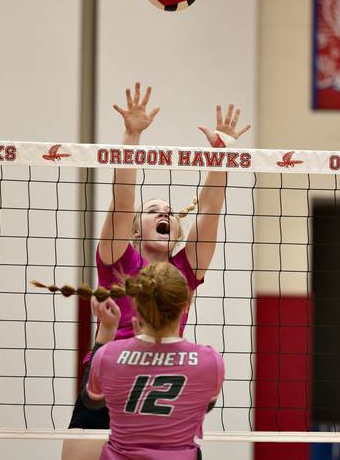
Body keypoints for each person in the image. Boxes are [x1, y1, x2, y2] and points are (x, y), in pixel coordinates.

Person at [63, 81, 249, 459]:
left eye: (168, 211)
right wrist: (131, 135)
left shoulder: (186, 266)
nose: (163, 212)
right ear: (135, 230)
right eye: (153, 211)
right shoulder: (118, 259)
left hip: (167, 368)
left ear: (178, 229)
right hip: (112, 370)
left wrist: (221, 157)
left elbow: (211, 210)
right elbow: (122, 199)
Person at [37, 262, 225, 459]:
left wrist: (108, 333)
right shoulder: (210, 361)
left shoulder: (108, 356)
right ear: (185, 306)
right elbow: (206, 404)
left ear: (137, 303)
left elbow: (90, 404)